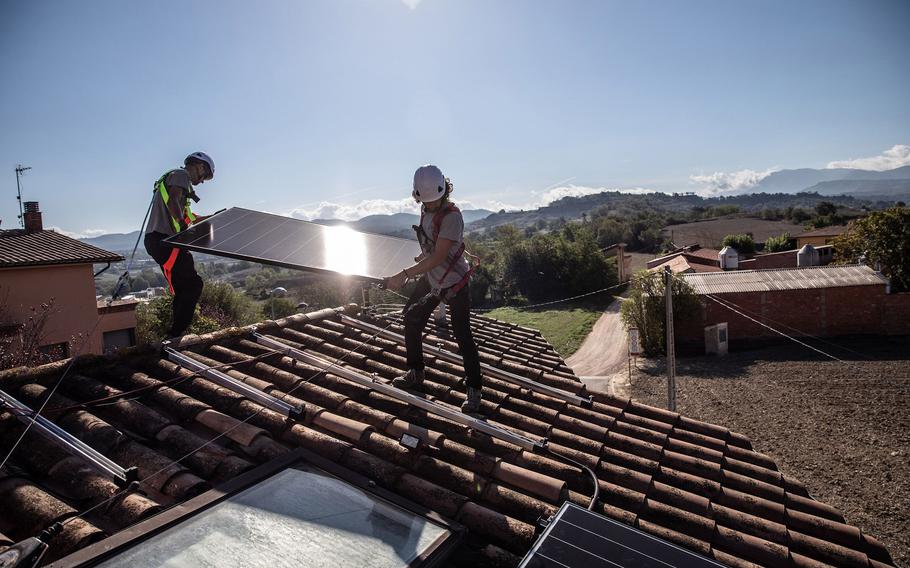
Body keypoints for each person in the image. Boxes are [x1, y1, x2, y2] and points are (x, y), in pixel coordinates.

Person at [385, 165, 484, 413]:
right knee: (411, 318)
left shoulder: (452, 217)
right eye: (425, 202)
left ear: (444, 191)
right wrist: (422, 257)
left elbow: (440, 256)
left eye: (433, 201)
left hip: (454, 283)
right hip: (432, 279)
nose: (429, 205)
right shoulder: (426, 209)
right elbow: (433, 247)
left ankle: (474, 390)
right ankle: (416, 374)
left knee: (462, 335)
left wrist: (405, 274)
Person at [144, 152, 215, 338]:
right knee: (194, 285)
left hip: (159, 241)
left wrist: (215, 217)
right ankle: (177, 332)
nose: (202, 181)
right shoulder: (181, 175)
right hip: (166, 240)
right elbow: (173, 200)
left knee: (184, 288)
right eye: (204, 175)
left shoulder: (181, 187)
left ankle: (174, 333)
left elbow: (190, 217)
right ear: (199, 166)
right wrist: (183, 228)